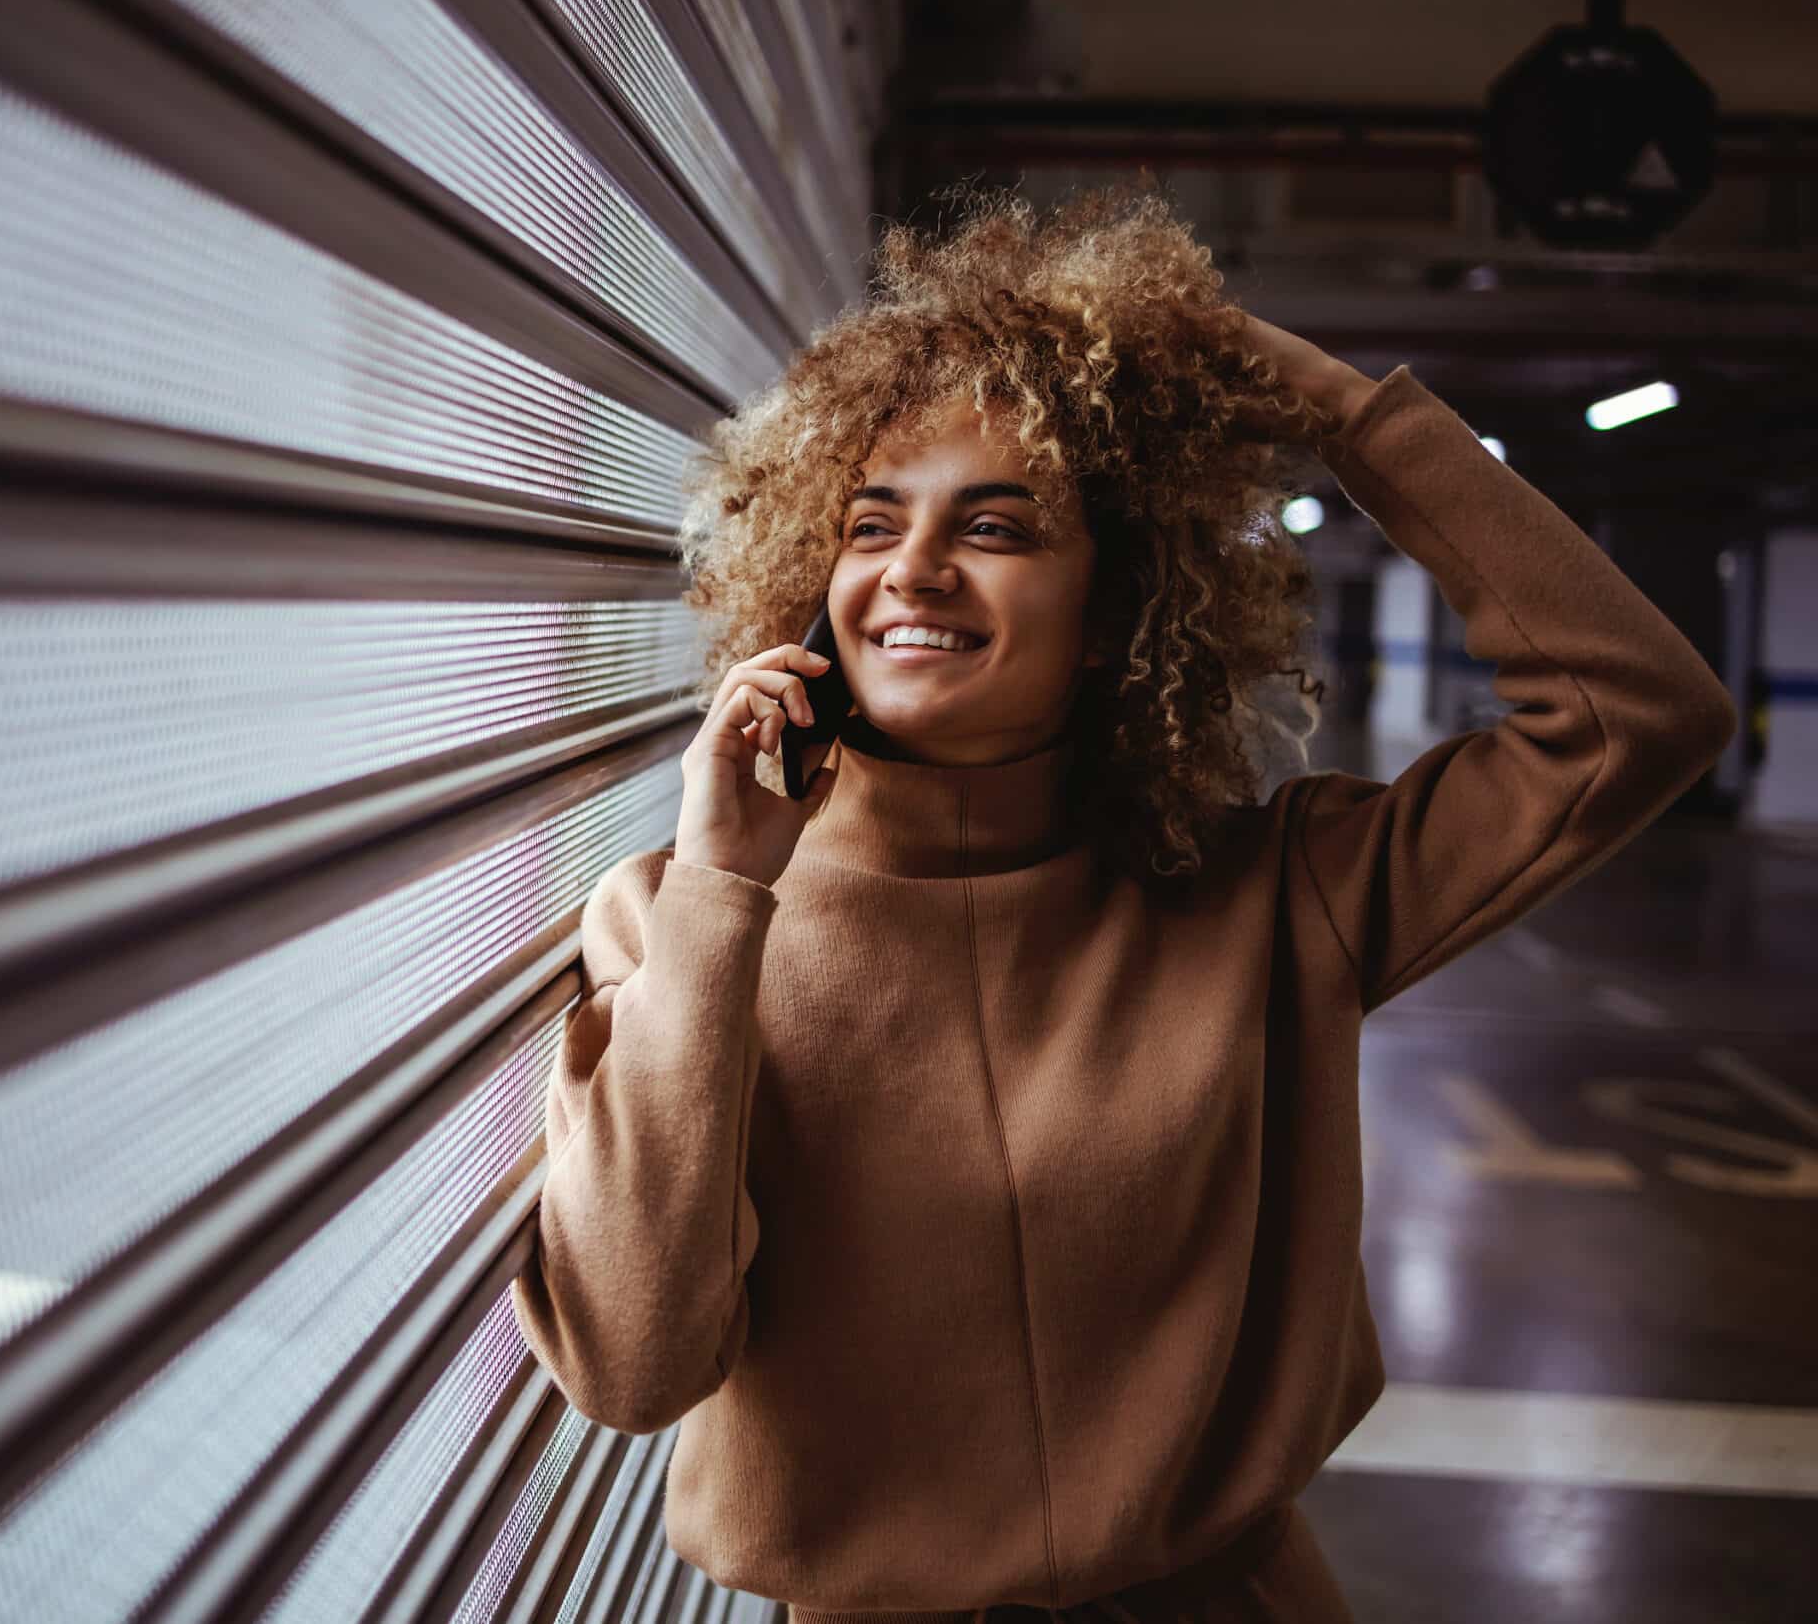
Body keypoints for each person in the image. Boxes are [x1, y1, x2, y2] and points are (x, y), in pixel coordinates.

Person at [506, 179, 1737, 1622]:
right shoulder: (677, 924)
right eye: (869, 523)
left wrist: (1343, 413)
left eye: (1000, 525)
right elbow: (634, 1367)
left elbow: (1636, 711)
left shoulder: (1277, 901)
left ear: (1111, 615)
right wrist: (724, 889)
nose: (914, 570)